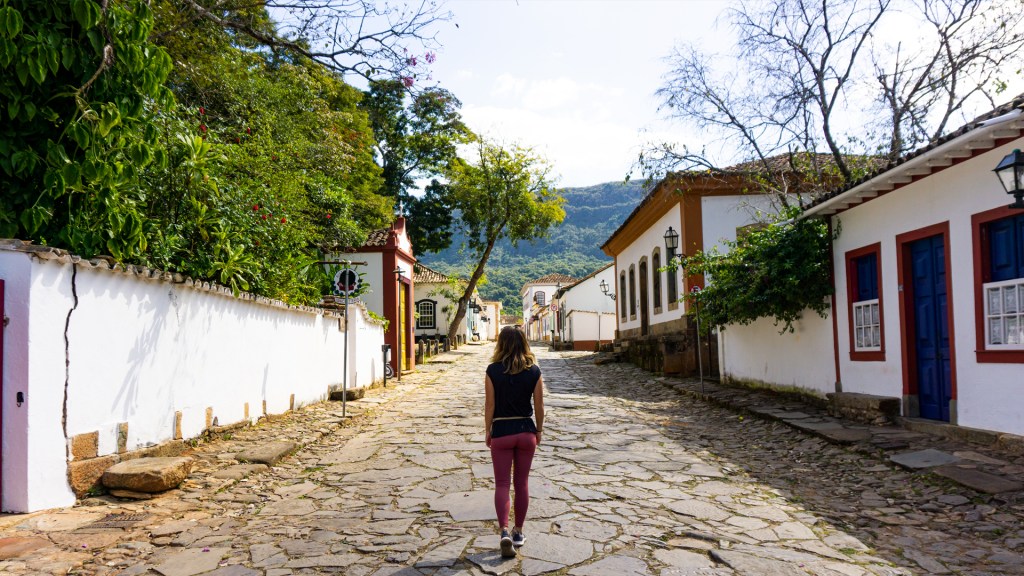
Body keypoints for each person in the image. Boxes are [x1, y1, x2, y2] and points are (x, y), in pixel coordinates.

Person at [484, 326, 544, 558]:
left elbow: (490, 405)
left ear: (501, 344)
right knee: (522, 483)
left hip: (502, 431)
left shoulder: (492, 370)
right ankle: (519, 532)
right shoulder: (534, 371)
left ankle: (504, 532)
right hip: (525, 430)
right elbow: (539, 406)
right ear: (524, 343)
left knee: (501, 484)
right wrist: (538, 430)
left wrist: (487, 430)